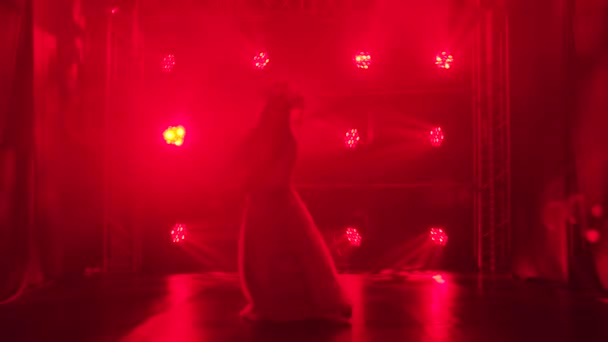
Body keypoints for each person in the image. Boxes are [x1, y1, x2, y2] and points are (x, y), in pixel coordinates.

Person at [237, 83, 352, 322]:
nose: (275, 116)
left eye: (280, 112)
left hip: (276, 203)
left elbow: (278, 178)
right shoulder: (259, 139)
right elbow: (245, 165)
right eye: (273, 111)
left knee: (286, 253)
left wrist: (257, 184)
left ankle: (299, 301)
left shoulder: (286, 143)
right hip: (262, 201)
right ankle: (269, 299)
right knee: (261, 255)